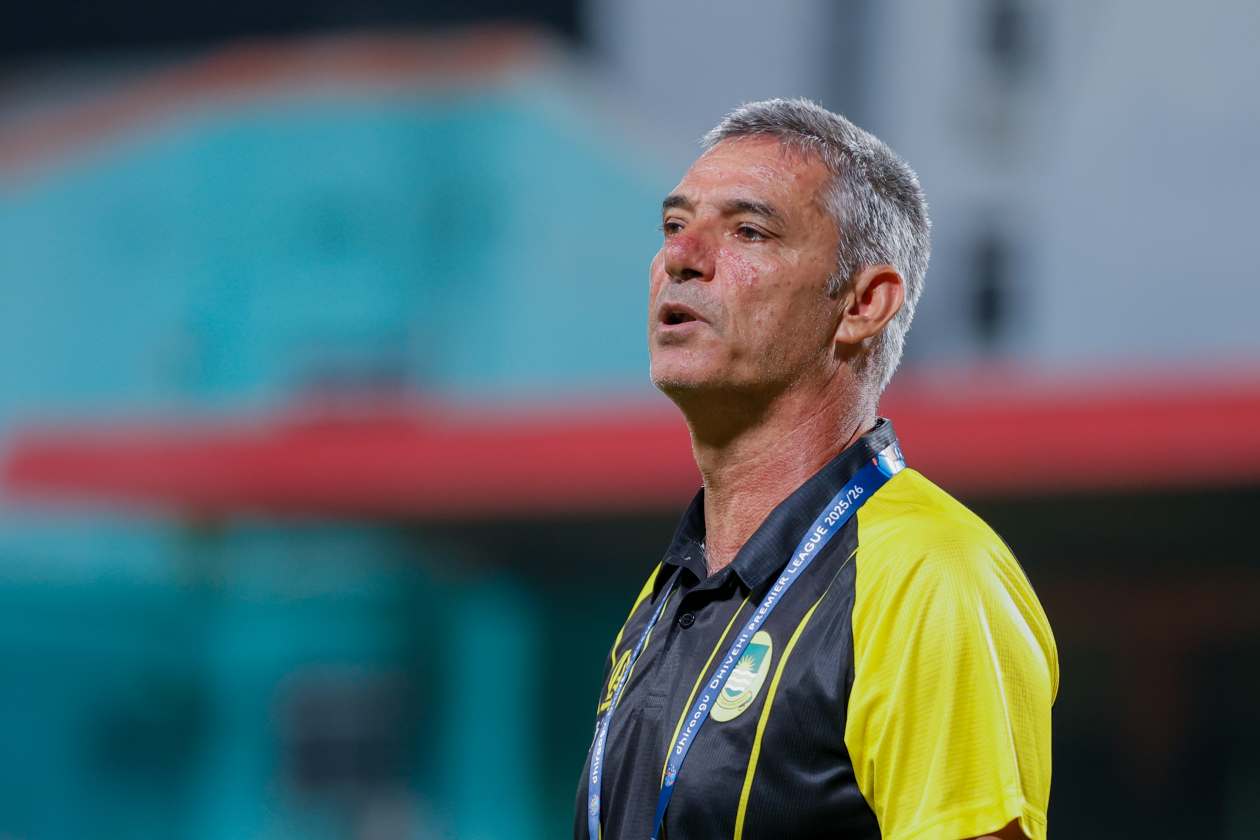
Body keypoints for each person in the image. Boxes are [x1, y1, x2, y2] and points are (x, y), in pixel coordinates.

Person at [574, 98, 1057, 840]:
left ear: (863, 304)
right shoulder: (670, 594)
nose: (681, 257)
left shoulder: (932, 574)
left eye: (748, 230)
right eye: (673, 225)